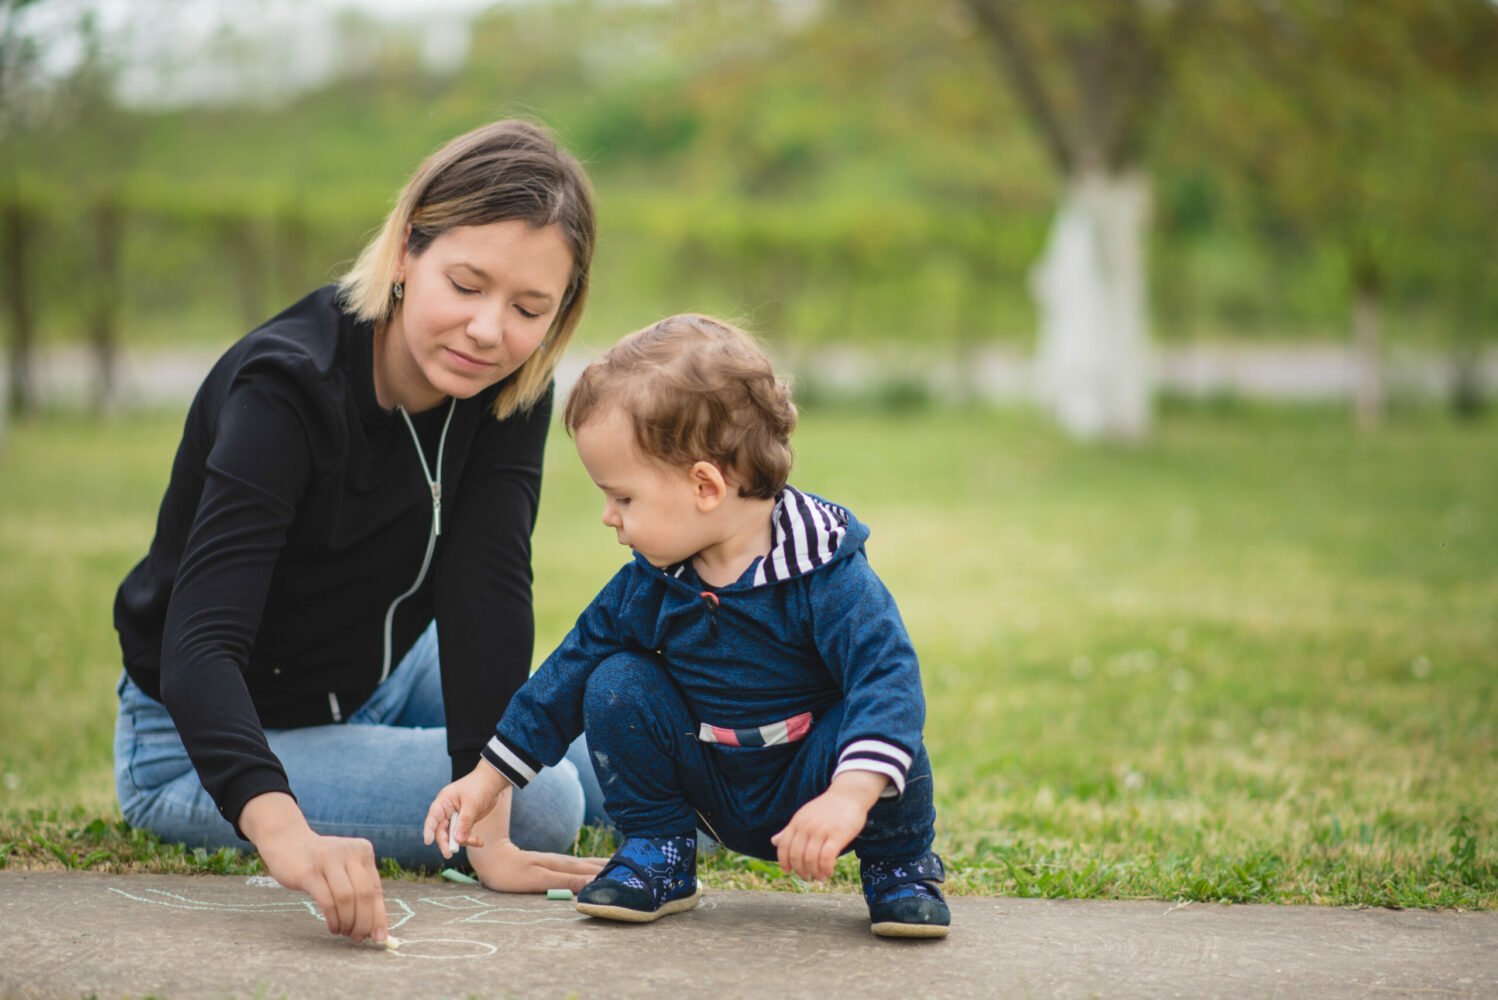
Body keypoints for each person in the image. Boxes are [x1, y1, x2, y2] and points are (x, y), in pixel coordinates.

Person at [112, 119, 608, 948]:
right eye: (466, 284)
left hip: (382, 669)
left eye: (529, 308)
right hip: (204, 735)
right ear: (408, 251)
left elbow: (486, 585)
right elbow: (196, 648)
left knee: (632, 730)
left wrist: (485, 808)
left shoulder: (510, 384)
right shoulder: (287, 390)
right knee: (552, 799)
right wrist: (287, 837)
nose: (489, 330)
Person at [423, 315, 951, 938]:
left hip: (814, 779)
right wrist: (485, 779)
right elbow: (566, 674)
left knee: (889, 725)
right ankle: (660, 852)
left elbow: (886, 677)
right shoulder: (651, 583)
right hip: (709, 778)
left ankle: (899, 868)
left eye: (623, 498)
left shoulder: (825, 574)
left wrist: (850, 794)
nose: (607, 517)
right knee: (613, 677)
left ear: (704, 485)